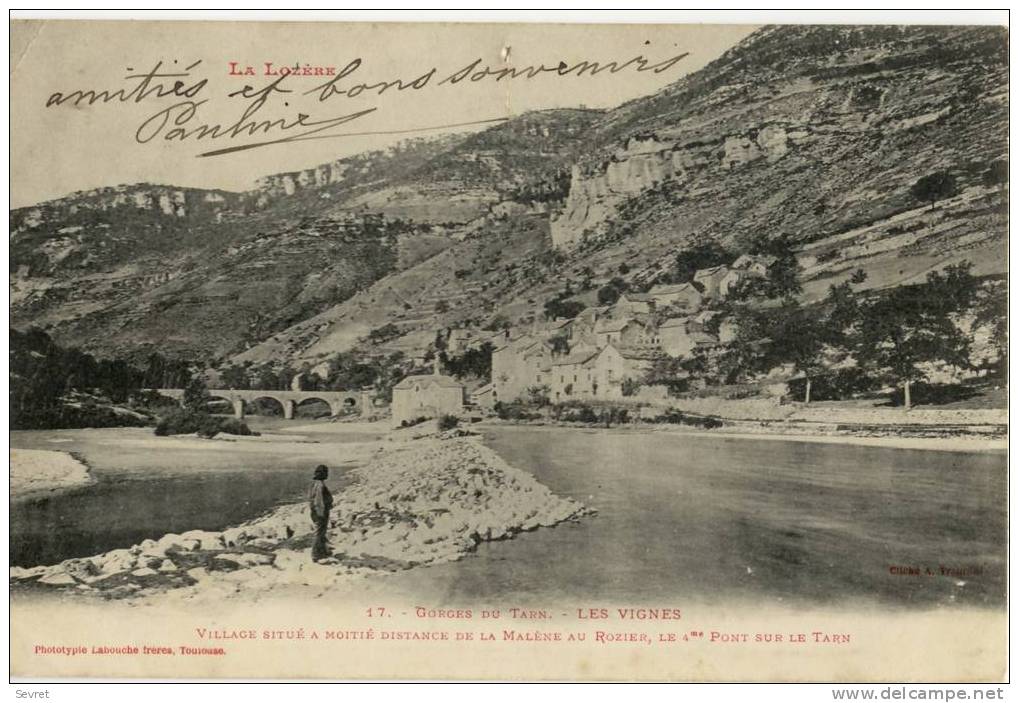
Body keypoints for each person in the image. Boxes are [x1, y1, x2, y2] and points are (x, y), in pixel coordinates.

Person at [308, 464, 333, 562]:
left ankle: (322, 551)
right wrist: (321, 513)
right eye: (325, 473)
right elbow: (318, 501)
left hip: (318, 511)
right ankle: (316, 554)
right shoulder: (320, 485)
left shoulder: (315, 483)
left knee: (321, 532)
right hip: (320, 512)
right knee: (319, 533)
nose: (327, 475)